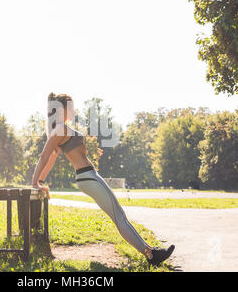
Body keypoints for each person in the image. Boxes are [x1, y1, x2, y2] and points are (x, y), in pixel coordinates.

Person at [31, 92, 174, 266]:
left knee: (119, 215)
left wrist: (41, 182)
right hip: (87, 176)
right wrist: (35, 183)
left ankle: (150, 251)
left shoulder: (60, 128)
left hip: (89, 176)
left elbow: (50, 159)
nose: (74, 109)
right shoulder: (59, 129)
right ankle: (151, 255)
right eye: (71, 106)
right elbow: (45, 157)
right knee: (119, 216)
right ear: (63, 109)